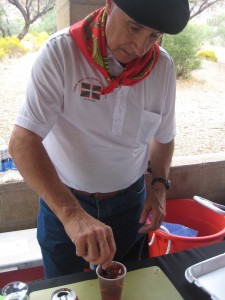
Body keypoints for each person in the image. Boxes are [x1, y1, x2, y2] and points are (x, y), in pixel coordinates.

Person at [9, 0, 190, 279]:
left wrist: (158, 186)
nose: (140, 47)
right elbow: (23, 141)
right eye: (134, 27)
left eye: (153, 36)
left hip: (131, 205)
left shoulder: (162, 66)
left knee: (125, 286)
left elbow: (163, 137)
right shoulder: (61, 52)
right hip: (65, 202)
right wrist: (71, 215)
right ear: (108, 4)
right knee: (63, 287)